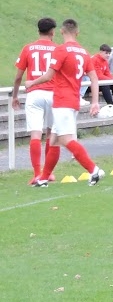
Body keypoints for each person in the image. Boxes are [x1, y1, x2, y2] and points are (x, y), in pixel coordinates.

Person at [27, 18, 104, 186]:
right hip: (73, 100)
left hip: (62, 100)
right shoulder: (84, 52)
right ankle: (44, 178)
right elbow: (94, 78)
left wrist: (32, 83)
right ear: (77, 33)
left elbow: (49, 75)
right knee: (54, 140)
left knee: (65, 139)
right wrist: (95, 102)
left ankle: (93, 169)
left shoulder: (61, 50)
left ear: (61, 31)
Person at [11, 17, 59, 186]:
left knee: (35, 134)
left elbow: (18, 77)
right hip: (53, 94)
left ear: (38, 30)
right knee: (51, 133)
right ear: (52, 32)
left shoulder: (28, 48)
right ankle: (48, 173)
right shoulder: (57, 49)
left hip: (34, 93)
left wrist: (15, 96)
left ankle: (37, 174)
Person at [88, 44, 113, 115]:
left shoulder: (105, 61)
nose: (108, 55)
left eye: (109, 53)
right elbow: (98, 76)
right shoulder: (94, 60)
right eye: (106, 53)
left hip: (99, 83)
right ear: (101, 52)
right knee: (105, 85)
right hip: (90, 84)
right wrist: (112, 81)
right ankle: (112, 107)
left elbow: (107, 73)